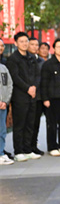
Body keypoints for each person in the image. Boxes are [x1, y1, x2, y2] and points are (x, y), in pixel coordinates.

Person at [7, 32, 42, 162]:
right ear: (16, 43)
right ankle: (18, 151)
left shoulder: (32, 58)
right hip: (20, 96)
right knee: (19, 124)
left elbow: (38, 75)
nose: (24, 44)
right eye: (21, 41)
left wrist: (34, 87)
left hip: (32, 95)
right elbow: (15, 77)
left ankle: (28, 150)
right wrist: (27, 88)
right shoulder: (13, 59)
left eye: (26, 41)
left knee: (30, 124)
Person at [28, 38, 45, 156]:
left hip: (39, 96)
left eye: (36, 45)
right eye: (32, 44)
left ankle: (33, 145)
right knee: (27, 123)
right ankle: (26, 146)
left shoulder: (41, 61)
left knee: (36, 123)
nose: (34, 47)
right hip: (27, 95)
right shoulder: (25, 59)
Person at [0, 60, 13, 165]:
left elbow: (9, 84)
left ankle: (1, 153)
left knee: (2, 131)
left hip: (3, 105)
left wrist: (5, 101)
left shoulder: (3, 68)